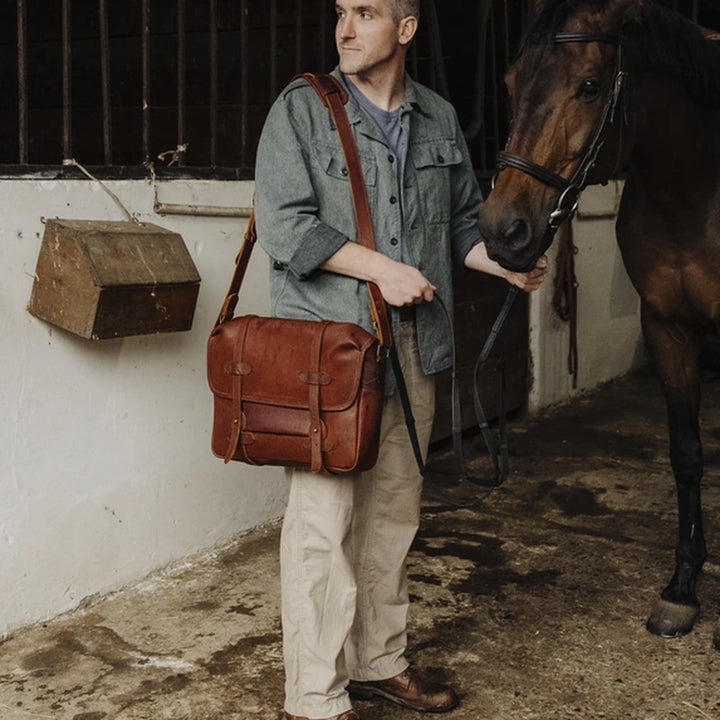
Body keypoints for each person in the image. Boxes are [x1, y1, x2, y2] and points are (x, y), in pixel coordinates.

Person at [254, 1, 547, 718]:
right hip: (331, 353)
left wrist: (502, 268)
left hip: (416, 347)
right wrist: (380, 270)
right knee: (323, 526)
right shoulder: (300, 109)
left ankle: (378, 662)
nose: (345, 29)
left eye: (365, 12)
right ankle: (315, 698)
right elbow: (284, 226)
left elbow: (452, 228)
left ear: (406, 29)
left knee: (393, 515)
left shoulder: (440, 117)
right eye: (340, 13)